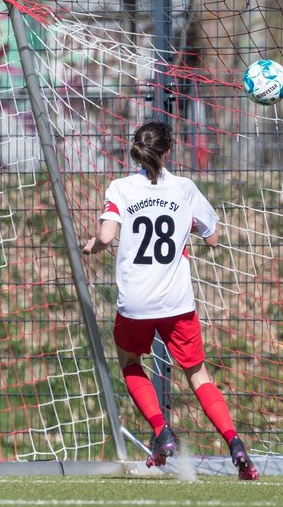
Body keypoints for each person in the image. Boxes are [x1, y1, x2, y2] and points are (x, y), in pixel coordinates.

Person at [83, 121, 258, 480]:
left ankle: (162, 433)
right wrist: (188, 226)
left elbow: (106, 235)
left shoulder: (121, 187)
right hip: (177, 302)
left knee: (130, 362)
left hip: (135, 301)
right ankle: (234, 442)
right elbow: (212, 239)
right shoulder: (184, 188)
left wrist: (93, 245)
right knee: (197, 373)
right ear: (168, 152)